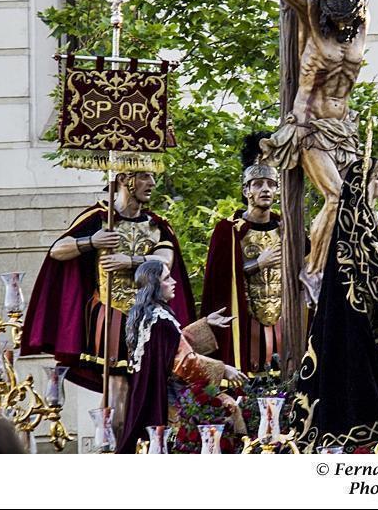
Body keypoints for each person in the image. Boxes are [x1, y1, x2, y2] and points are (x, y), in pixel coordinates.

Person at [216, 0, 378, 299]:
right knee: (335, 196)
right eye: (339, 20)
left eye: (350, 19)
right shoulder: (311, 14)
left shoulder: (359, 22)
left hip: (345, 130)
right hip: (309, 127)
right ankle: (312, 270)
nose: (345, 25)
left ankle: (346, 264)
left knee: (357, 202)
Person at [21, 165, 195, 438]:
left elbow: (165, 261)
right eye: (145, 177)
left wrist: (130, 261)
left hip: (149, 319)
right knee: (118, 385)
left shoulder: (157, 225)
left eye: (152, 177)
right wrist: (91, 241)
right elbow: (57, 250)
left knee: (148, 386)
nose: (152, 183)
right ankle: (115, 448)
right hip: (111, 314)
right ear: (125, 179)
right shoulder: (98, 218)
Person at [289, 157, 378, 453]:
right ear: (363, 186)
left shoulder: (363, 225)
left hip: (366, 328)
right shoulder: (354, 233)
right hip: (362, 335)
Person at [117, 261, 246, 454]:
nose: (174, 281)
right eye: (167, 278)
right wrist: (223, 370)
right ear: (154, 284)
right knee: (227, 410)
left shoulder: (146, 316)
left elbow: (173, 346)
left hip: (147, 395)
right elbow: (183, 361)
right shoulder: (160, 319)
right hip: (167, 399)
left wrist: (205, 323)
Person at [202, 133, 283, 373]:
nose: (265, 189)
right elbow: (221, 282)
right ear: (246, 190)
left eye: (271, 184)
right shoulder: (228, 231)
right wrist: (258, 262)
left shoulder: (288, 229)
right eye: (258, 184)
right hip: (245, 328)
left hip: (283, 324)